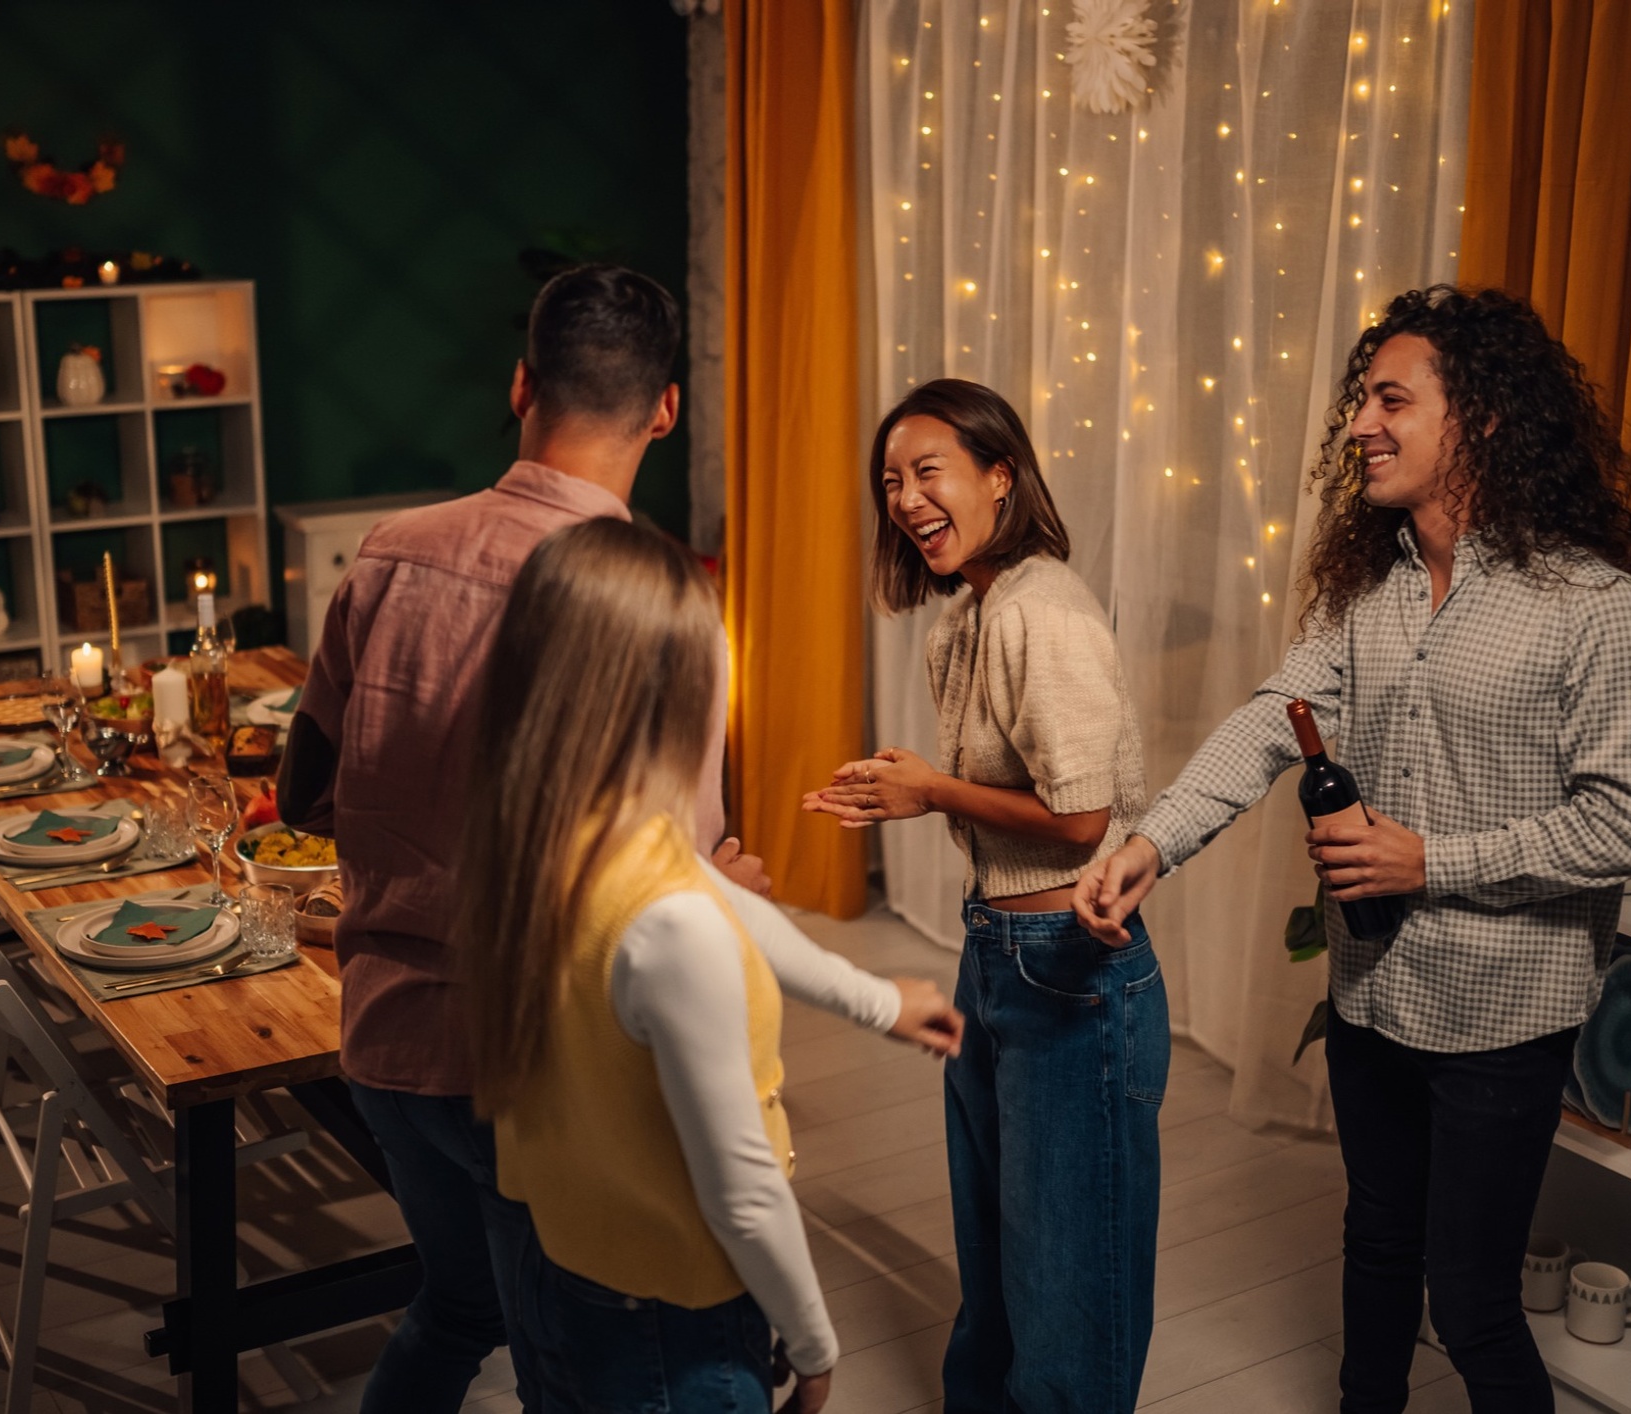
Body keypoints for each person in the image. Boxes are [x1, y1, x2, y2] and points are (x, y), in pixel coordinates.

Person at [279, 264, 959, 1413]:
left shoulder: (390, 551)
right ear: (667, 410)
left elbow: (306, 795)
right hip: (539, 1083)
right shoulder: (654, 611)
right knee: (576, 1367)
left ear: (521, 386)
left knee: (457, 1308)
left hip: (383, 1040)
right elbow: (666, 880)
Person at [1076, 285, 1631, 1413]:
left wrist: (1431, 861)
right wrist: (1155, 839)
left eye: (1392, 400)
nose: (1360, 425)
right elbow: (1276, 715)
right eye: (1364, 402)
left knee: (1474, 1300)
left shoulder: (1594, 605)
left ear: (1481, 416)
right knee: (1377, 1244)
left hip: (1503, 1015)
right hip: (1372, 991)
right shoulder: (1373, 584)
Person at [458, 517, 962, 1414]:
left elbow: (722, 901)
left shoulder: (543, 835)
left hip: (563, 1264)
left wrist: (877, 1000)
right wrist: (814, 1346)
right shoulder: (670, 924)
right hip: (671, 1323)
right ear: (673, 692)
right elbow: (742, 1193)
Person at [802, 378, 1163, 1413]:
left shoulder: (1042, 611)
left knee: (1068, 1279)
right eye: (890, 481)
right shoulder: (965, 619)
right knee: (1000, 1248)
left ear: (1001, 476)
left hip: (1073, 970)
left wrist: (929, 791)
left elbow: (1083, 819)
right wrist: (912, 787)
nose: (907, 499)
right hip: (997, 951)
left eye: (929, 472)